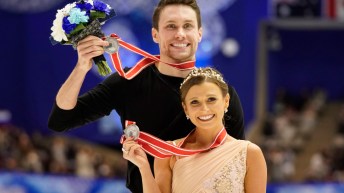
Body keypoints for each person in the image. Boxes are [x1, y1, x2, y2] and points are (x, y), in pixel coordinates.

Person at [48, 0, 245, 192]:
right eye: (170, 26)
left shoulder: (220, 94)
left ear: (200, 34)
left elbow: (237, 167)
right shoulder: (129, 81)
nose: (180, 34)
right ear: (155, 35)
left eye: (188, 26)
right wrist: (81, 67)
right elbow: (62, 119)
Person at [122, 67, 267, 193]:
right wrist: (143, 167)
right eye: (194, 102)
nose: (204, 109)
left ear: (226, 101)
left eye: (211, 99)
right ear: (186, 108)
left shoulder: (249, 153)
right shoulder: (168, 153)